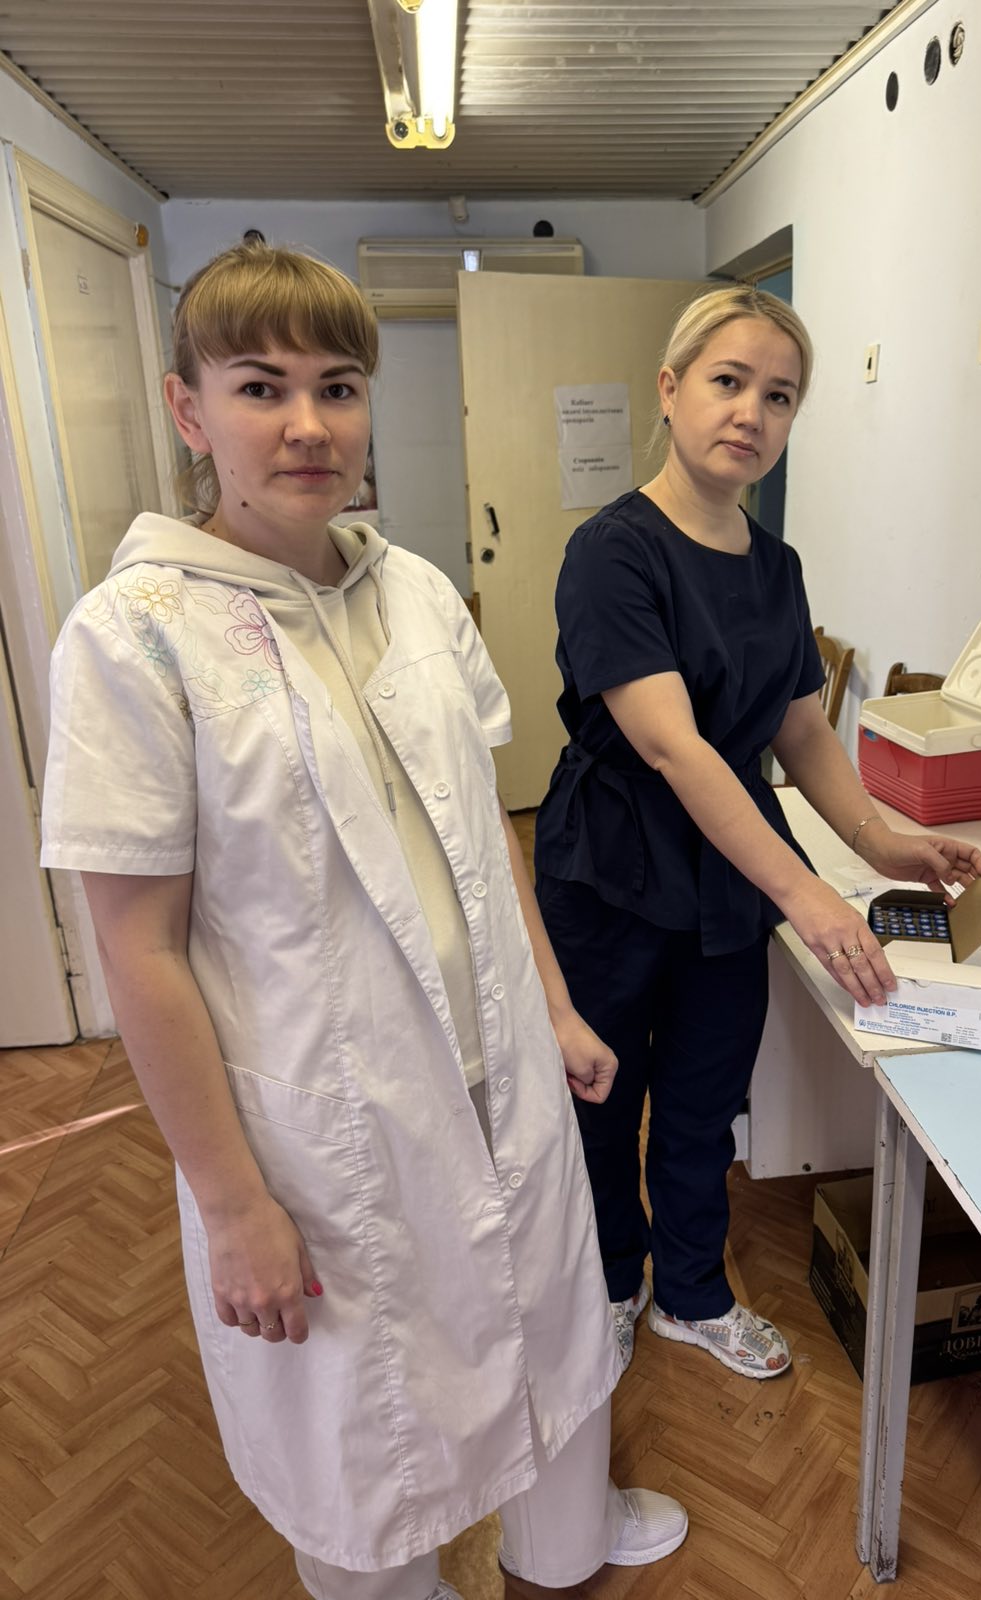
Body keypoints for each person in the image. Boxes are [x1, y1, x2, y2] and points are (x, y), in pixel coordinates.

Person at [39, 243, 687, 1600]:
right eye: (260, 386)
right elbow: (138, 950)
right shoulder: (134, 637)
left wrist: (555, 1005)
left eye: (338, 386)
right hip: (321, 1122)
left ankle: (564, 1540)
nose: (308, 424)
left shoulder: (419, 593)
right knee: (366, 1422)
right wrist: (231, 1201)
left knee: (550, 1322)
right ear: (188, 409)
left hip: (497, 1066)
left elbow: (479, 830)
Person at [534, 284, 981, 1380]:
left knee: (703, 1094)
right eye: (729, 381)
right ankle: (611, 1280)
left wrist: (880, 843)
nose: (751, 413)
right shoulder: (613, 552)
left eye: (779, 396)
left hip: (728, 871)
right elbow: (674, 748)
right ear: (671, 388)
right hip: (615, 863)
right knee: (602, 1098)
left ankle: (692, 1293)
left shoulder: (776, 566)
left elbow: (798, 727)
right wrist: (808, 894)